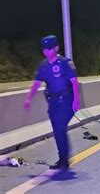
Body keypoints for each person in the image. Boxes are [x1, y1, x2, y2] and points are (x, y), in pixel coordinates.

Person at [23, 35, 81, 170]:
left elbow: (74, 82)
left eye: (49, 49)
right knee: (57, 131)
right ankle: (63, 159)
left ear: (56, 48)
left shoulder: (65, 63)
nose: (46, 52)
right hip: (53, 102)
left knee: (60, 129)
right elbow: (37, 83)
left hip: (67, 100)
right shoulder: (43, 65)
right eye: (44, 49)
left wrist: (76, 101)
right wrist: (29, 98)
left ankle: (63, 159)